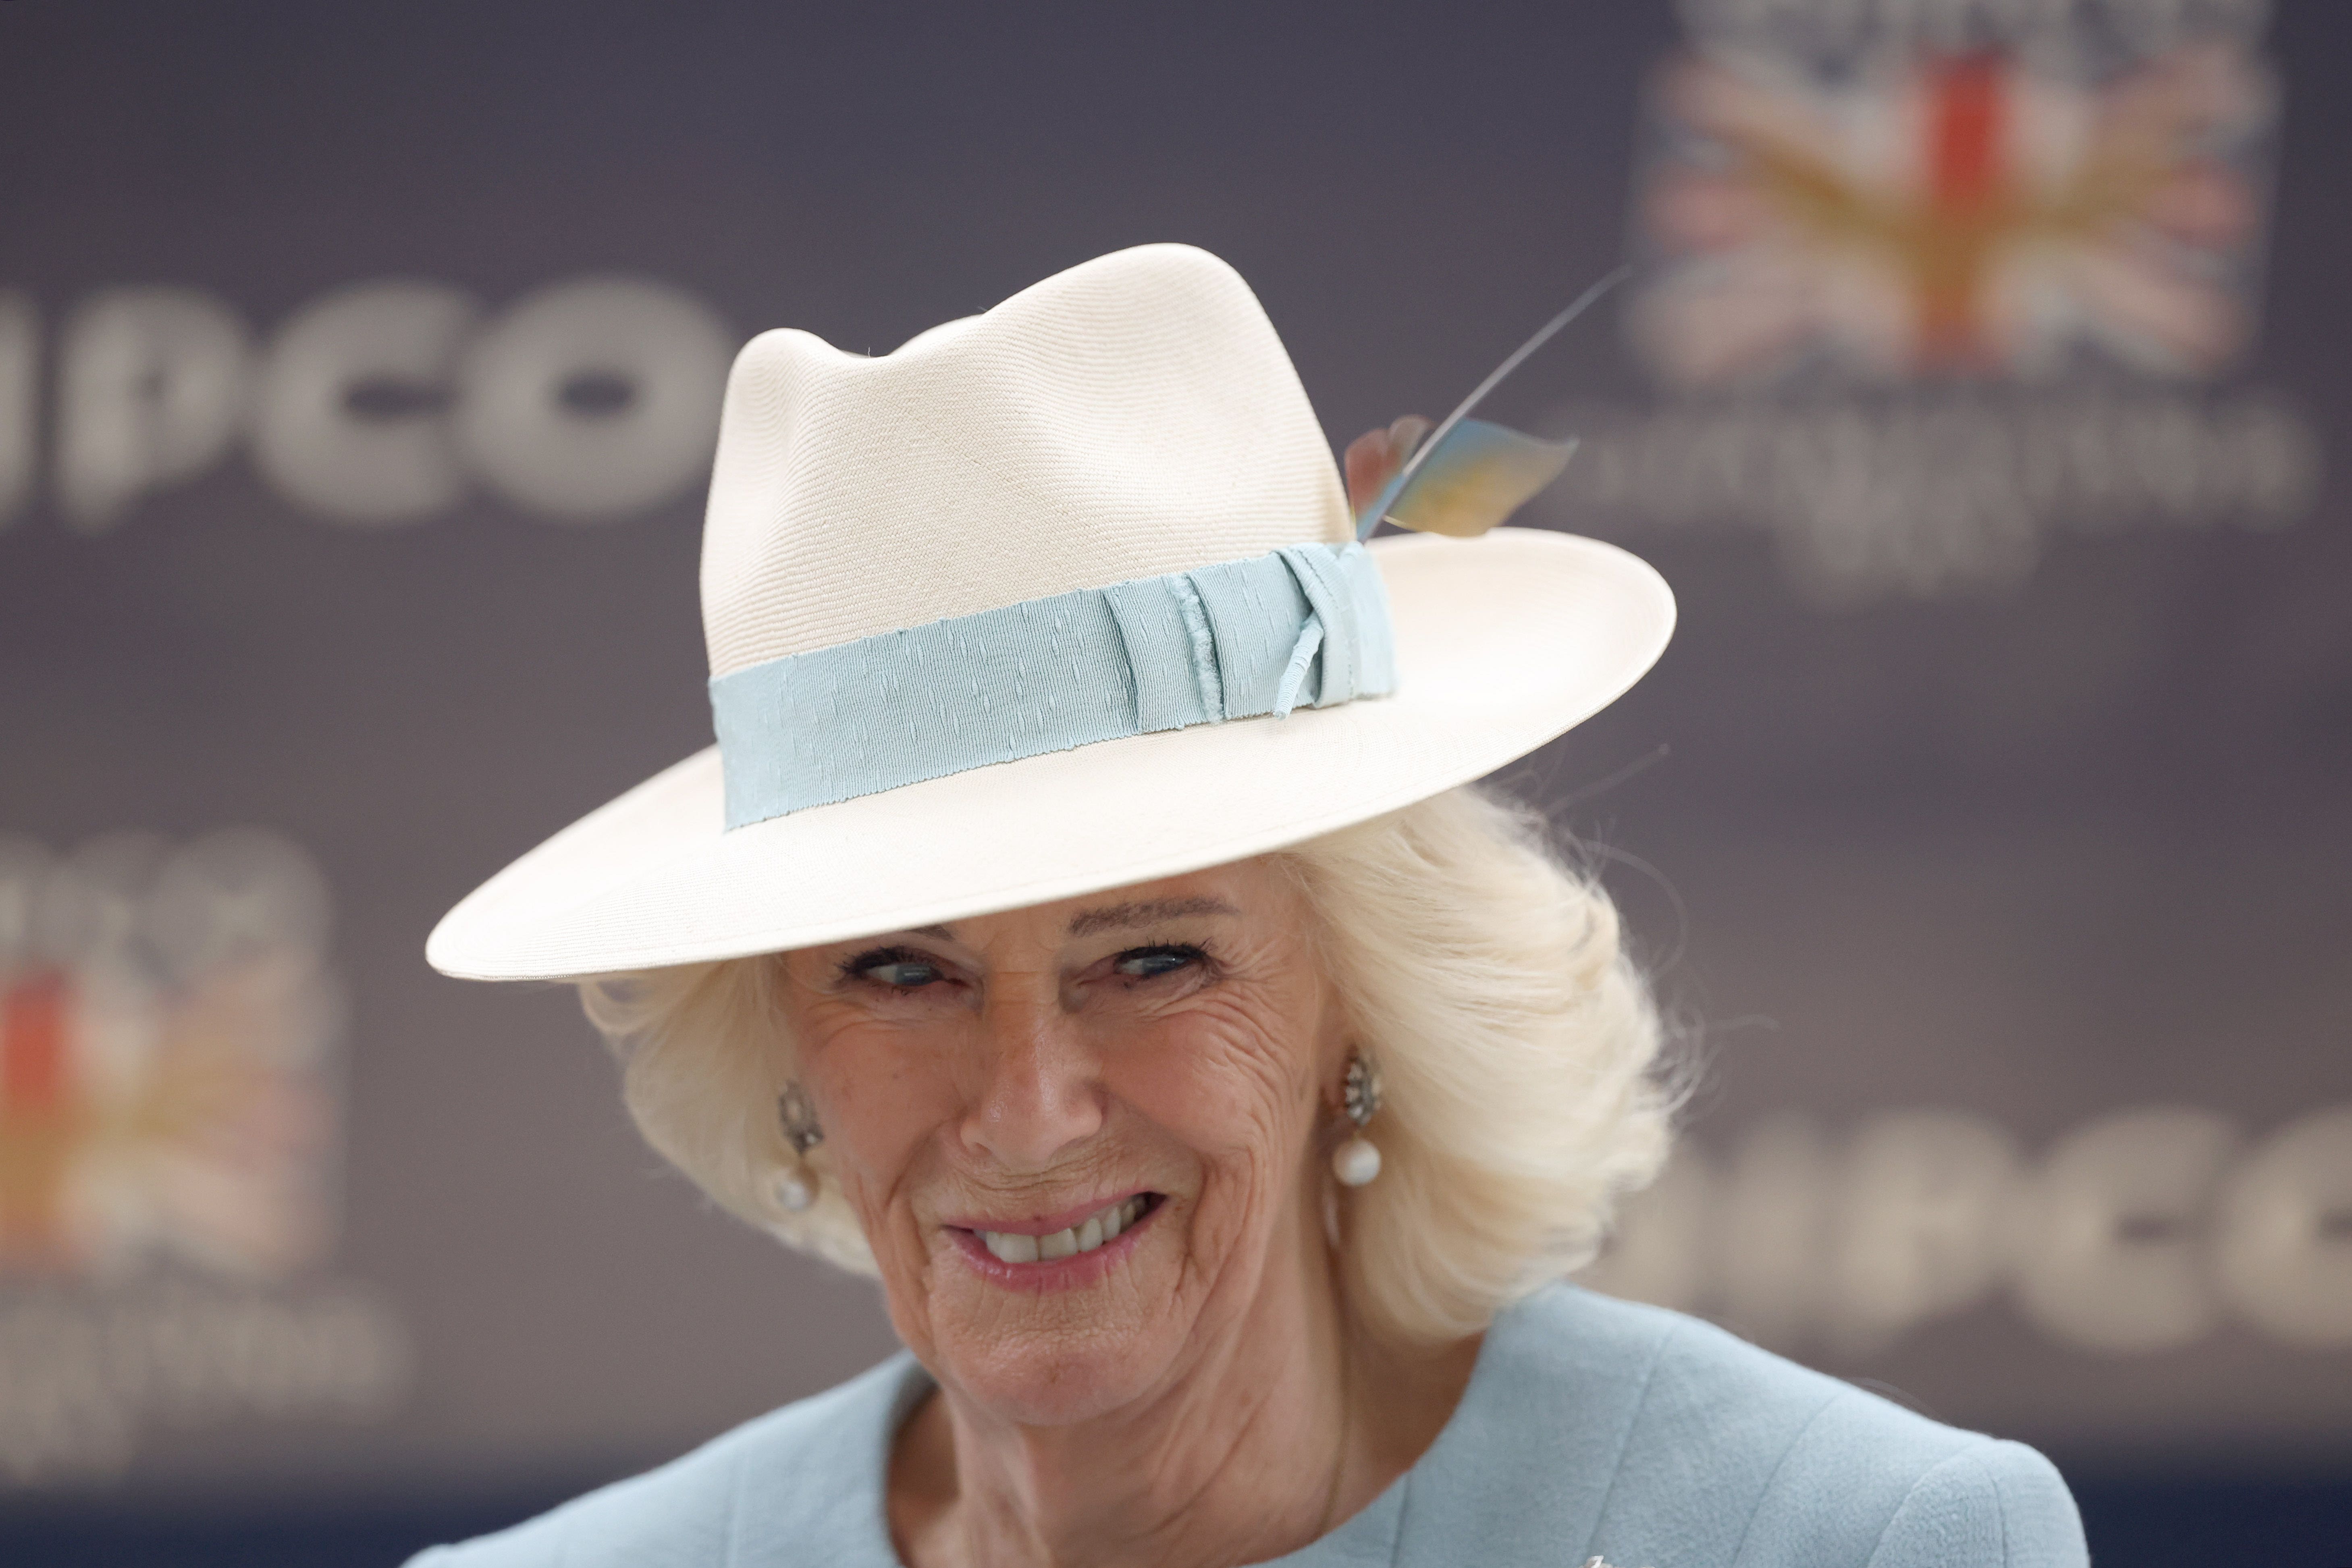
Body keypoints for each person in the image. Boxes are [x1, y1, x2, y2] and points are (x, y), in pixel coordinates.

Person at [413, 245, 2087, 1568]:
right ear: (780, 1040)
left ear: (1361, 993)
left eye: (1151, 955)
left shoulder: (1851, 1543)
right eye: (900, 970)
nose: (1029, 1110)